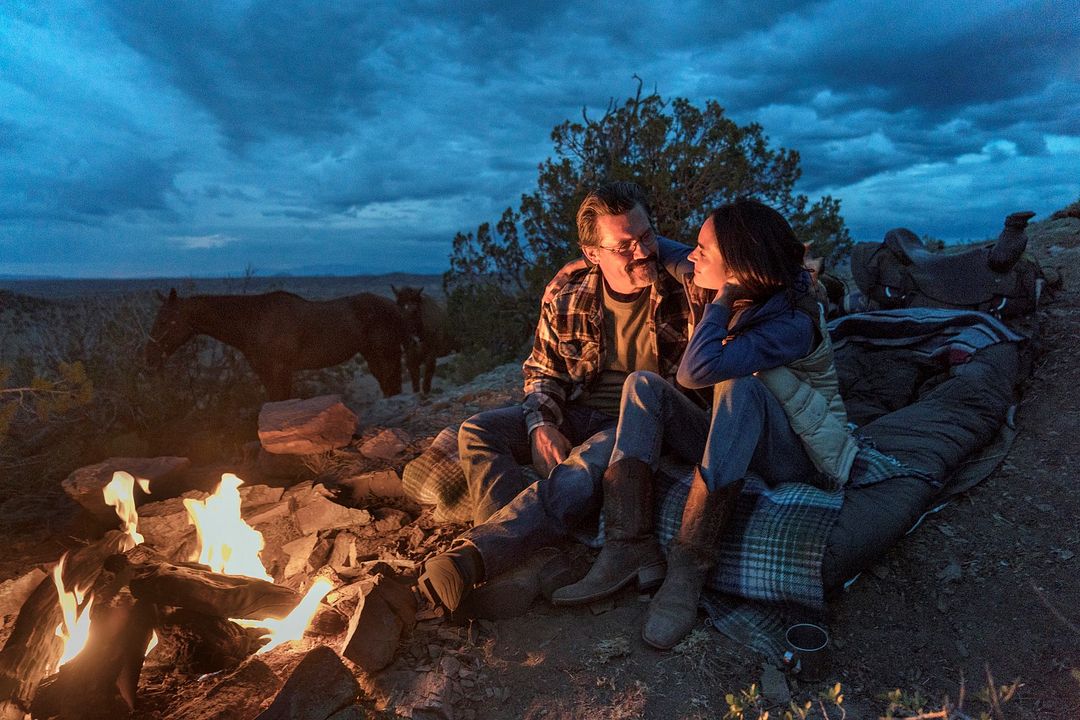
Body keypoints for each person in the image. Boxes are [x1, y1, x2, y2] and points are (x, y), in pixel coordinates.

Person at [552, 199, 860, 650]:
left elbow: (695, 370)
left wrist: (722, 299)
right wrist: (598, 254)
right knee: (642, 385)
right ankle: (628, 546)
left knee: (740, 387)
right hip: (739, 436)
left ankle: (688, 568)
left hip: (801, 453)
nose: (690, 257)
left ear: (737, 269)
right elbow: (662, 250)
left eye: (702, 250)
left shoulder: (793, 322)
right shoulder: (736, 280)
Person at [417, 181, 704, 613]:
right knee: (478, 431)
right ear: (592, 253)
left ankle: (477, 558)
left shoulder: (686, 289)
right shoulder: (569, 293)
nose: (642, 252)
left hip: (639, 424)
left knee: (585, 462)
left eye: (647, 237)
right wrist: (542, 424)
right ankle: (526, 566)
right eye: (624, 246)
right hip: (576, 410)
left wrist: (676, 253)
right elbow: (543, 368)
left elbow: (758, 277)